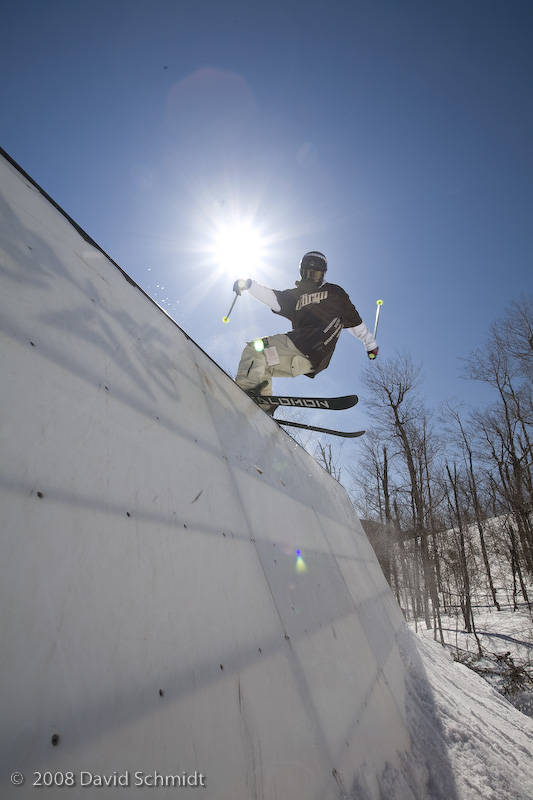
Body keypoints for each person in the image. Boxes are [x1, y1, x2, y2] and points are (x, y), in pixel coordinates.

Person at [233, 251, 378, 402]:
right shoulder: (296, 296)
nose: (309, 278)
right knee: (261, 364)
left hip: (305, 346)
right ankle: (261, 404)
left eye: (314, 275)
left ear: (322, 274)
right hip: (305, 361)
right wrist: (249, 284)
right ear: (301, 273)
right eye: (306, 274)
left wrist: (370, 344)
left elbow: (356, 323)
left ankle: (242, 395)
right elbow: (272, 297)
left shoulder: (335, 293)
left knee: (255, 349)